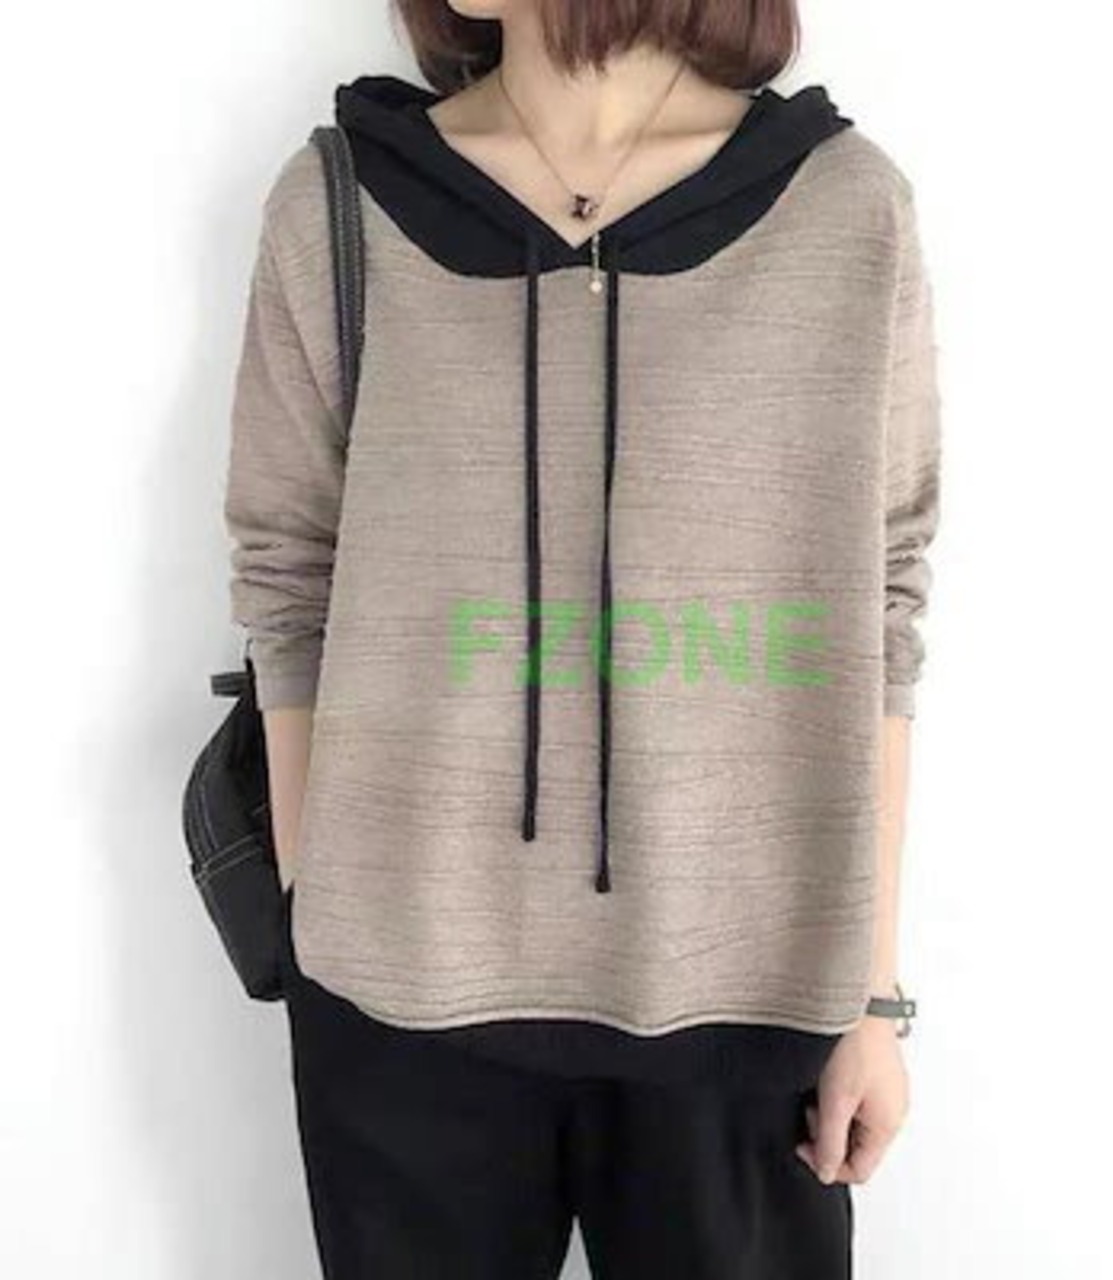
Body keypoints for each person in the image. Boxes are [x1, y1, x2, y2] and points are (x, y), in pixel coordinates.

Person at [222, 1, 942, 1275]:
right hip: (396, 996)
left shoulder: (842, 209)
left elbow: (877, 610)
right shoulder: (337, 204)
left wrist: (870, 995)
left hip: (746, 993)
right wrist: (313, 907)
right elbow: (289, 577)